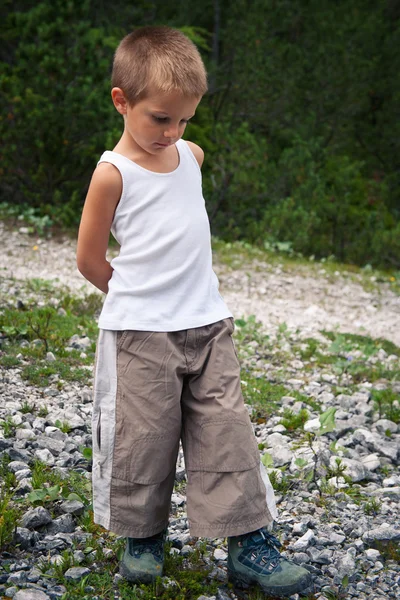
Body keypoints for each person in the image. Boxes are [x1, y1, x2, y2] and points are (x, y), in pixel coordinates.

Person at [76, 26, 312, 597]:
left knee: (227, 431)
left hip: (209, 325)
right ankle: (142, 535)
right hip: (141, 333)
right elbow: (89, 259)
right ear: (121, 100)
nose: (173, 132)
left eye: (184, 120)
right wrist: (136, 297)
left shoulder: (190, 156)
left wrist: (183, 296)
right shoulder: (113, 174)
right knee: (144, 435)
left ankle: (249, 544)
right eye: (161, 118)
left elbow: (184, 183)